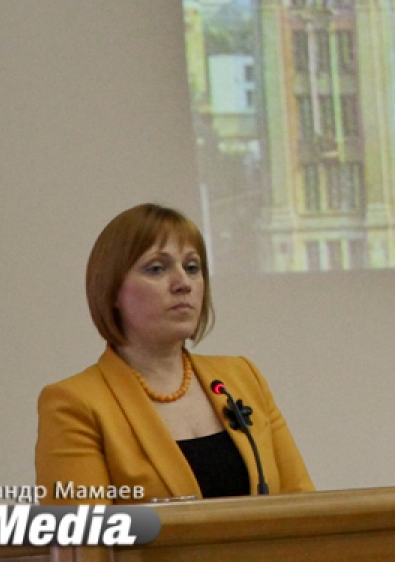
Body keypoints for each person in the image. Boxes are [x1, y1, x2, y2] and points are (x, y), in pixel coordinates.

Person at [36, 203, 314, 503]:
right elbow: (85, 530)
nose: (183, 283)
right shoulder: (75, 404)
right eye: (157, 268)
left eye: (192, 268)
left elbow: (303, 506)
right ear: (112, 290)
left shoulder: (242, 377)